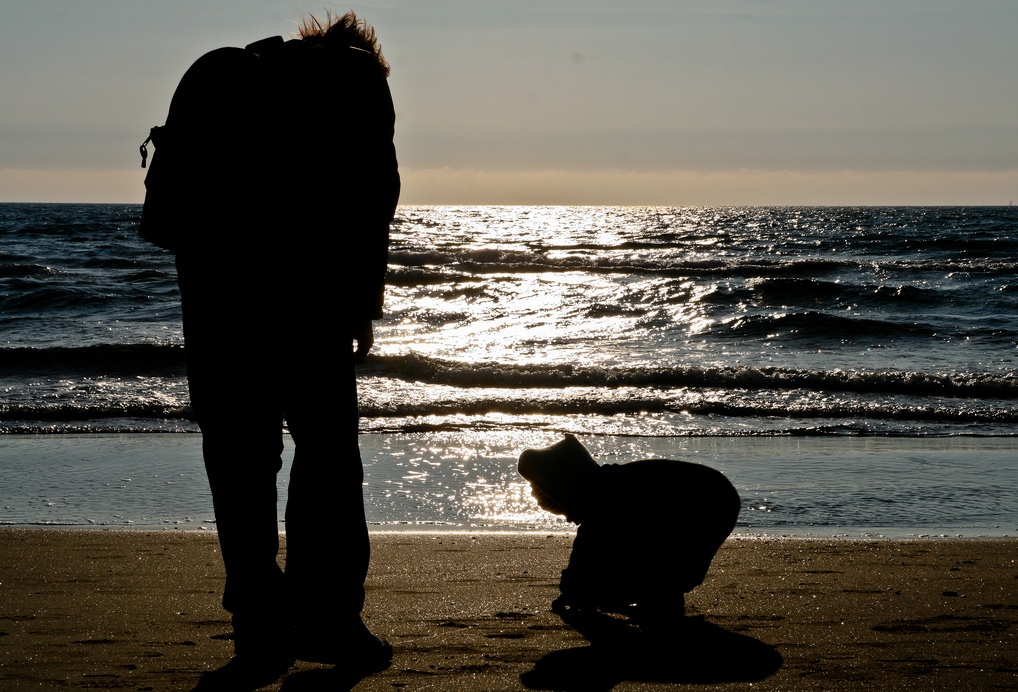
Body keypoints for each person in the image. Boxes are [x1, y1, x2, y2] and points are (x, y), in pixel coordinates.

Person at [140, 11, 399, 678]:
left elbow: (174, 217)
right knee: (328, 457)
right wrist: (361, 307)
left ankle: (258, 629)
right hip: (306, 296)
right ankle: (329, 620)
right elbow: (372, 201)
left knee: (239, 460)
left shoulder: (239, 78)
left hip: (216, 296)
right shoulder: (358, 85)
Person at [518, 435, 740, 629]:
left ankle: (663, 598)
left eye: (564, 511)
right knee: (643, 568)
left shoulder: (607, 502)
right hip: (712, 499)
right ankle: (662, 596)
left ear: (568, 491)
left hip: (709, 506)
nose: (569, 519)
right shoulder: (608, 486)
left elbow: (584, 558)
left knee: (654, 573)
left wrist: (575, 593)